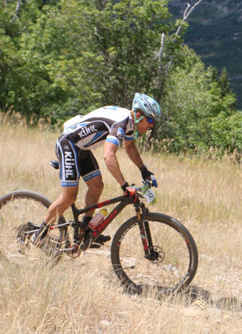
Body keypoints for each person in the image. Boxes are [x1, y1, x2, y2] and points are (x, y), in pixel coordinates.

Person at [33, 92, 161, 248]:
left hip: (82, 148)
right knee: (69, 196)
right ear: (139, 115)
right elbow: (108, 156)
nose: (151, 126)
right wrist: (124, 185)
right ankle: (39, 234)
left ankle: (85, 231)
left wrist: (143, 170)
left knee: (97, 187)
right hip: (68, 143)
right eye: (150, 120)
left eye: (153, 122)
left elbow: (129, 146)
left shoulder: (130, 123)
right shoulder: (120, 123)